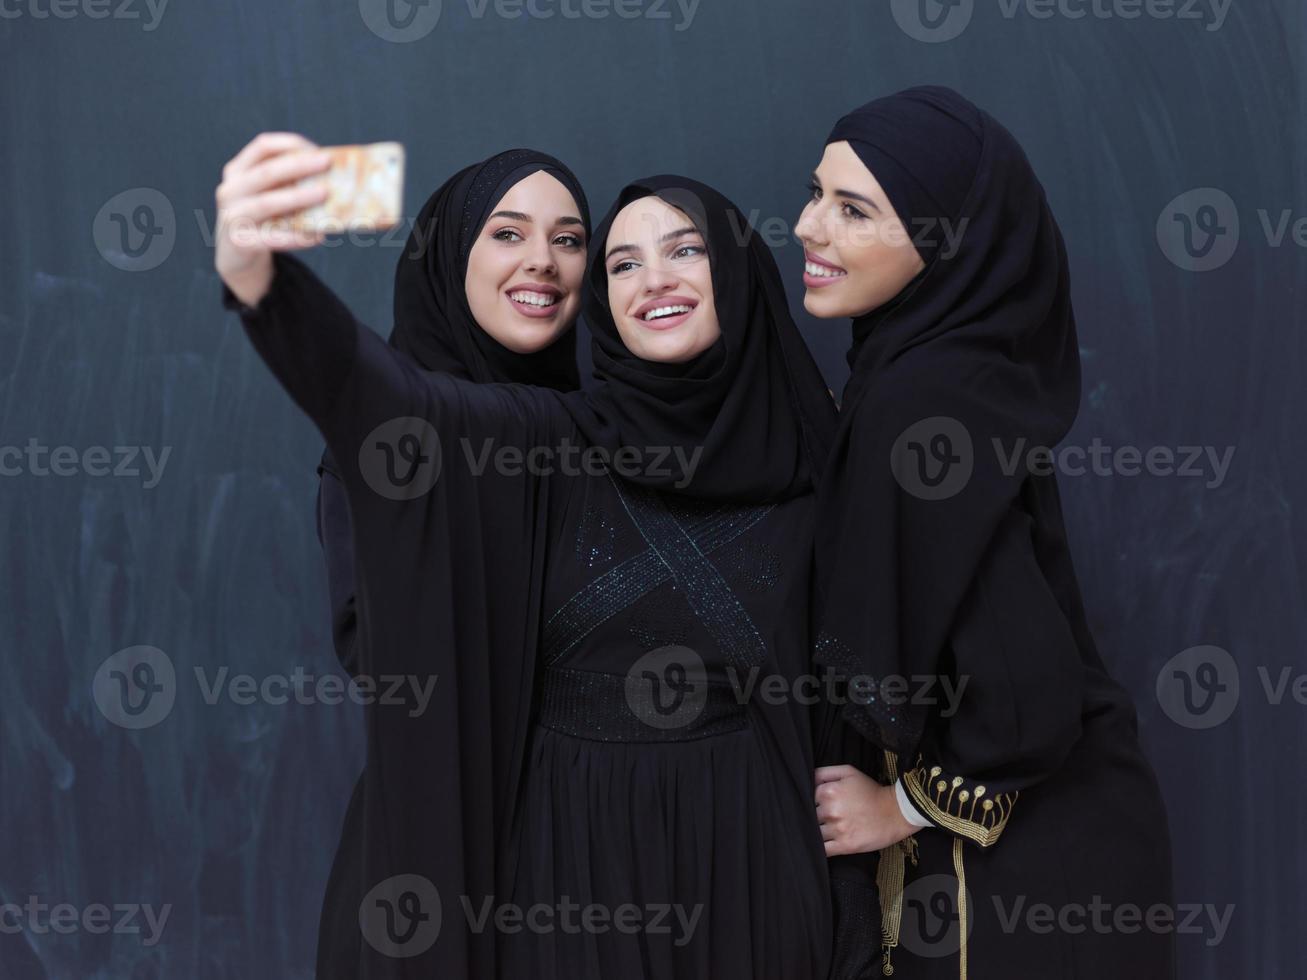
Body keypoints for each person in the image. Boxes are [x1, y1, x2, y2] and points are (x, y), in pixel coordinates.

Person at [215, 137, 839, 978]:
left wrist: (913, 804)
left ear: (736, 271)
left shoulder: (819, 459)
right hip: (561, 870)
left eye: (684, 249)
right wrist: (263, 282)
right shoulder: (543, 443)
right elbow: (388, 402)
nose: (652, 279)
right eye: (623, 262)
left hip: (749, 871)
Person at [795, 87, 1175, 979]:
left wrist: (903, 808)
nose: (810, 227)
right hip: (1068, 858)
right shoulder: (948, 373)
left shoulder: (917, 402)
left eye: (854, 209)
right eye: (815, 193)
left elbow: (1025, 694)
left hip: (1016, 876)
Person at [310, 146, 592, 980]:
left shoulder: (612, 433)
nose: (542, 259)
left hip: (600, 854)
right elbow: (383, 656)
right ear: (449, 255)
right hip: (437, 852)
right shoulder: (387, 439)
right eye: (508, 233)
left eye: (569, 238)